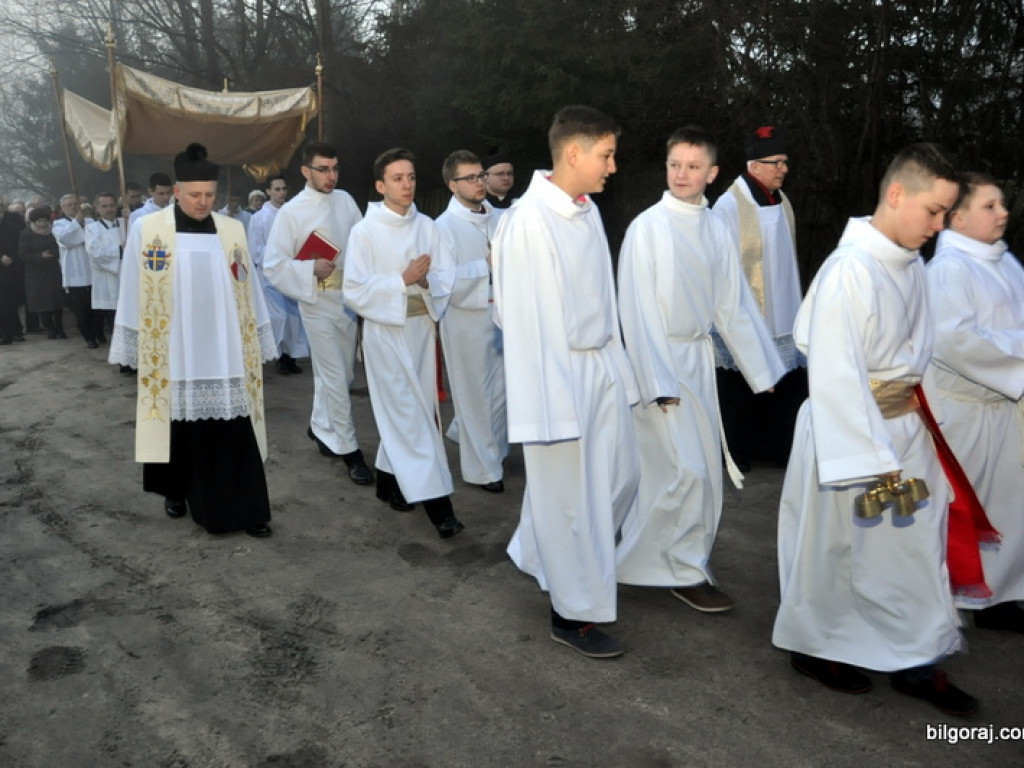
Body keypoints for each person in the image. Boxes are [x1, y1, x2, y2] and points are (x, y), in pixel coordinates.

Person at [772, 144, 978, 716]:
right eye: (933, 211)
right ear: (896, 195)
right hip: (852, 435)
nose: (938, 228)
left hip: (902, 431)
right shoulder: (849, 271)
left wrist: (925, 434)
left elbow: (923, 358)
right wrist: (872, 459)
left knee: (914, 545)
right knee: (835, 547)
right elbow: (835, 374)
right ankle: (815, 645)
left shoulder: (909, 264)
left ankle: (918, 655)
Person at [616, 127, 784, 612]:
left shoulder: (713, 228)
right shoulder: (648, 227)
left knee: (703, 472)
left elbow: (732, 303)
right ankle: (661, 565)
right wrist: (658, 382)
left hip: (698, 362)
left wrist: (763, 370)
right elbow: (637, 309)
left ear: (712, 173)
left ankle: (680, 564)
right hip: (662, 365)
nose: (682, 174)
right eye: (674, 165)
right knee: (681, 470)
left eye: (693, 166)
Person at [492, 105, 639, 658]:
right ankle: (570, 612)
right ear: (573, 153)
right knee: (572, 498)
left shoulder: (585, 210)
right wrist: (552, 409)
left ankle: (541, 551)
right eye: (606, 155)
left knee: (622, 477)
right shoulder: (529, 221)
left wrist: (619, 373)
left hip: (598, 365)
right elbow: (526, 323)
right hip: (560, 376)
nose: (613, 166)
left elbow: (604, 298)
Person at [109, 143, 276, 538]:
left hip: (224, 346)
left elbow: (247, 286)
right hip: (174, 345)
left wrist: (256, 334)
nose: (203, 203)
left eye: (210, 196)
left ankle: (247, 509)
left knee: (233, 423)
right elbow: (132, 285)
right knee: (177, 423)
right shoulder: (147, 230)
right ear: (177, 192)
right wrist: (134, 342)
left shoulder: (233, 229)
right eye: (195, 195)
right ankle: (176, 489)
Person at [343, 147, 464, 539]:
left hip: (420, 330)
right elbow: (354, 292)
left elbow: (445, 276)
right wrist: (402, 279)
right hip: (385, 333)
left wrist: (427, 282)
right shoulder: (365, 230)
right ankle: (439, 505)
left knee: (411, 409)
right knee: (411, 417)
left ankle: (387, 479)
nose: (407, 184)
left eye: (411, 177)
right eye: (397, 179)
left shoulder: (428, 226)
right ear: (381, 185)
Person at [923, 172, 1024, 634]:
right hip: (963, 409)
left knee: (1006, 505)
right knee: (962, 509)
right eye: (990, 206)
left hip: (1004, 407)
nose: (1003, 213)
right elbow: (955, 340)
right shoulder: (948, 270)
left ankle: (999, 595)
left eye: (1002, 204)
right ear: (957, 218)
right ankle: (941, 595)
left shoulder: (1007, 264)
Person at [262, 141, 373, 485]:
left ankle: (320, 427)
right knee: (336, 376)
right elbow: (273, 266)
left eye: (335, 168)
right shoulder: (291, 213)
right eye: (323, 169)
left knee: (342, 374)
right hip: (316, 302)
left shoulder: (346, 200)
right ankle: (349, 450)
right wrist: (310, 267)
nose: (331, 176)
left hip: (347, 301)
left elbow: (363, 242)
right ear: (305, 171)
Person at [712, 126, 806, 468]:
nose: (783, 168)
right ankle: (738, 452)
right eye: (776, 162)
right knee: (742, 379)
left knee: (784, 377)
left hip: (783, 308)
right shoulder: (729, 205)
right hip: (747, 309)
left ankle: (776, 449)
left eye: (784, 162)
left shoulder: (781, 201)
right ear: (754, 165)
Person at [434, 150, 508, 492]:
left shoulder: (500, 218)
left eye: (481, 176)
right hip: (466, 318)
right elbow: (442, 281)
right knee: (475, 393)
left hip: (504, 315)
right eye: (470, 178)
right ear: (453, 184)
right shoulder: (442, 228)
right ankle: (483, 469)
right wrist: (486, 266)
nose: (479, 183)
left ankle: (478, 440)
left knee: (504, 391)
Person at [248, 174, 309, 375]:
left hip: (291, 272)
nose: (281, 193)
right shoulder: (259, 218)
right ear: (268, 191)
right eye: (277, 189)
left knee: (293, 317)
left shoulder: (292, 214)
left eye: (283, 189)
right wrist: (277, 258)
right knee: (278, 316)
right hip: (269, 276)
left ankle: (289, 357)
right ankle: (274, 355)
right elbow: (255, 249)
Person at [53, 194, 103, 348]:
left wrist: (81, 228)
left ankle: (98, 331)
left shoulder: (90, 221)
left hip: (93, 270)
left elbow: (94, 239)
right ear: (62, 209)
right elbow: (66, 240)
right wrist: (76, 222)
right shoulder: (58, 224)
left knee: (97, 308)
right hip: (75, 274)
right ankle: (88, 337)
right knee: (82, 311)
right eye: (69, 205)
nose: (73, 207)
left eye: (75, 204)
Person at [19, 206, 65, 339]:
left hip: (53, 271)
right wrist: (40, 256)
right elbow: (22, 254)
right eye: (39, 221)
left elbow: (61, 247)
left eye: (45, 220)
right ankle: (49, 328)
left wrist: (53, 254)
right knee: (43, 303)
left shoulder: (53, 232)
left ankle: (59, 327)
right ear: (33, 222)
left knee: (57, 301)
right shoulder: (26, 234)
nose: (42, 224)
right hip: (36, 274)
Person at [85, 193, 124, 337]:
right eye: (104, 206)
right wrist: (119, 250)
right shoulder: (92, 228)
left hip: (126, 277)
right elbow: (95, 253)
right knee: (113, 317)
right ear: (97, 208)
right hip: (107, 278)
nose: (109, 209)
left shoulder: (125, 223)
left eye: (111, 205)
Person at [0, 205, 26, 344]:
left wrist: (11, 256)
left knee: (10, 303)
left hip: (10, 270)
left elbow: (20, 247)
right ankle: (5, 333)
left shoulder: (13, 228)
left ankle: (16, 331)